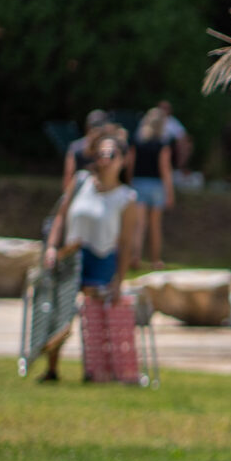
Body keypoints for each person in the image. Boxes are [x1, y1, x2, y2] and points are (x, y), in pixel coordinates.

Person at [37, 134, 141, 383]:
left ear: (123, 160)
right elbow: (60, 216)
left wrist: (119, 280)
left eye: (111, 154)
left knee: (95, 318)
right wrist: (52, 248)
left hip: (102, 259)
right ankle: (51, 369)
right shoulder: (81, 182)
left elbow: (125, 244)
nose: (105, 159)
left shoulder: (126, 198)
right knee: (59, 312)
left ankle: (97, 370)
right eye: (101, 154)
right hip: (72, 255)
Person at [127, 106, 177, 269]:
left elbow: (130, 164)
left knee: (139, 225)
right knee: (155, 226)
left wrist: (130, 182)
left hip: (138, 183)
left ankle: (135, 256)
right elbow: (165, 169)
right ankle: (155, 260)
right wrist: (170, 192)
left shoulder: (137, 141)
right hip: (156, 186)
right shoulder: (162, 144)